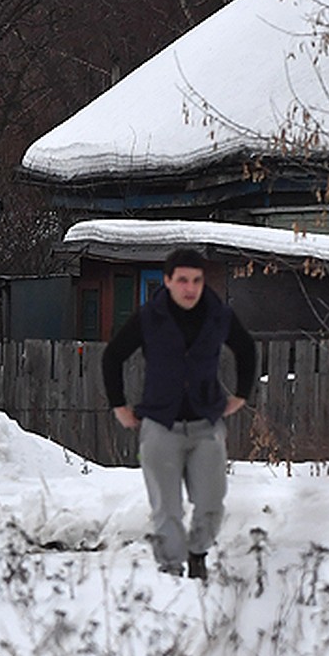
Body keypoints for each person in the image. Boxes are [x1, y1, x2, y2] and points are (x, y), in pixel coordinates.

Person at [101, 247, 256, 580]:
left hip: (206, 426)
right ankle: (170, 572)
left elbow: (245, 348)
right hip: (160, 426)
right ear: (168, 281)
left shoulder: (218, 315)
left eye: (197, 280)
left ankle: (198, 554)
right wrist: (120, 406)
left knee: (211, 504)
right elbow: (113, 356)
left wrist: (242, 394)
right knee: (167, 509)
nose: (190, 288)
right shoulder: (149, 317)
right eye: (182, 280)